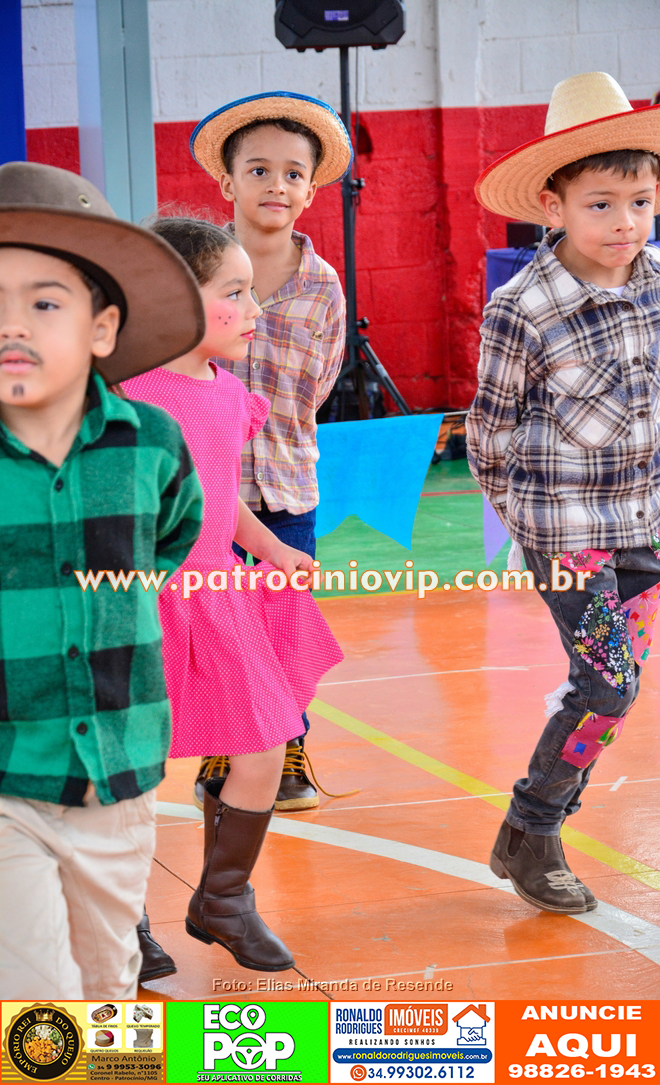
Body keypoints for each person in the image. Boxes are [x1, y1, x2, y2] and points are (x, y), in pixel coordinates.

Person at [0, 161, 205, 998]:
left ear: (102, 326)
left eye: (45, 303)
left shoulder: (151, 441)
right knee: (34, 994)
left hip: (118, 770)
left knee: (106, 977)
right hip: (8, 772)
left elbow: (173, 531)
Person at [467, 72, 660, 915]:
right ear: (552, 206)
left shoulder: (656, 279)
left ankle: (527, 831)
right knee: (608, 686)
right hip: (568, 534)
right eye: (600, 205)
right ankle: (534, 827)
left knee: (611, 690)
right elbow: (489, 432)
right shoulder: (521, 307)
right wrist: (534, 530)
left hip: (645, 524)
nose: (624, 222)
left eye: (640, 201)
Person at [124, 217, 343, 973]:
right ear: (176, 299)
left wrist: (271, 546)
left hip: (219, 593)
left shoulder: (226, 393)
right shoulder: (128, 400)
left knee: (264, 744)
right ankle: (123, 915)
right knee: (135, 765)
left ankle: (223, 898)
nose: (255, 310)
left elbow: (219, 496)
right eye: (236, 293)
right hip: (143, 601)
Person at [188, 92, 352, 812]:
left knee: (283, 625)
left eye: (293, 173)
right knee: (217, 627)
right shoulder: (194, 273)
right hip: (204, 493)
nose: (275, 185)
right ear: (227, 182)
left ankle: (287, 746)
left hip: (286, 486)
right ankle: (222, 745)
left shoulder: (324, 287)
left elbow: (321, 381)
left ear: (311, 191)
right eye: (258, 170)